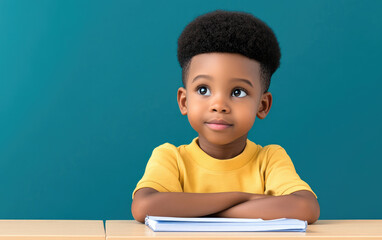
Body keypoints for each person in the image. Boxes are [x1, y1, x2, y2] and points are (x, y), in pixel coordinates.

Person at [131, 10, 320, 224]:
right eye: (203, 90)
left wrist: (198, 212)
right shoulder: (171, 158)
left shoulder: (269, 160)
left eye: (237, 92)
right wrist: (243, 197)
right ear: (184, 101)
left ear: (263, 105)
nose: (219, 106)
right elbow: (144, 206)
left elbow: (305, 207)